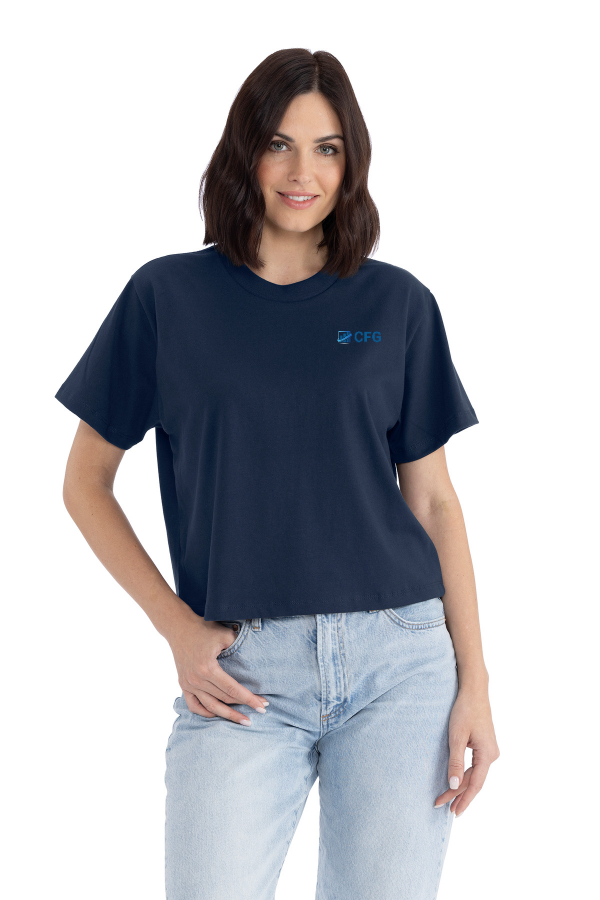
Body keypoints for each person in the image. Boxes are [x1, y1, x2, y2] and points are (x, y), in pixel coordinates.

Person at [55, 48, 499, 900]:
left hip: (401, 664)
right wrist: (176, 628)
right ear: (244, 152)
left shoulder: (396, 304)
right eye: (280, 145)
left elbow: (435, 502)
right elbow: (84, 483)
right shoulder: (166, 297)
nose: (303, 173)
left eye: (328, 149)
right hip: (240, 673)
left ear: (352, 162)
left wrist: (475, 682)